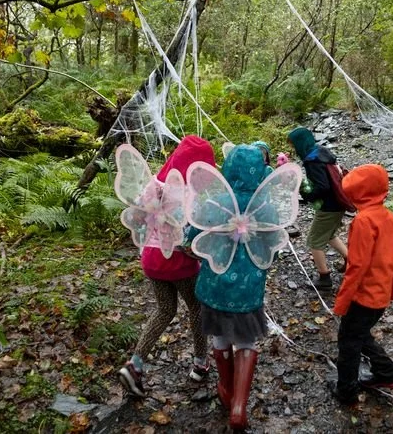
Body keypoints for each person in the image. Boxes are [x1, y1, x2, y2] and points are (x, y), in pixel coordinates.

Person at [190, 145, 297, 430]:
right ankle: (239, 405)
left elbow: (192, 235)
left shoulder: (216, 201)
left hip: (214, 286)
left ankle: (225, 388)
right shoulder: (266, 206)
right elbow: (274, 244)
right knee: (246, 341)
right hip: (249, 289)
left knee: (219, 338)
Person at [118, 135, 216, 398]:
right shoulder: (189, 194)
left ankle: (135, 364)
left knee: (164, 310)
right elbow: (194, 232)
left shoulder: (154, 184)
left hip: (151, 258)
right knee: (195, 308)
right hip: (179, 263)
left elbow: (138, 216)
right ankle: (200, 362)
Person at [329, 164, 393, 405]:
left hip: (365, 296)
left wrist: (342, 301)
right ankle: (385, 373)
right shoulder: (388, 216)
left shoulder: (363, 221)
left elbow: (357, 266)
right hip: (379, 294)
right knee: (359, 334)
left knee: (348, 341)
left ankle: (347, 391)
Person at [287, 127, 349, 290]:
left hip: (329, 206)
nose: (293, 149)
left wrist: (308, 196)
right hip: (339, 202)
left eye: (294, 145)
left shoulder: (312, 161)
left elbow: (323, 186)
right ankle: (351, 261)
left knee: (314, 240)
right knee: (328, 235)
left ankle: (324, 277)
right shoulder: (322, 152)